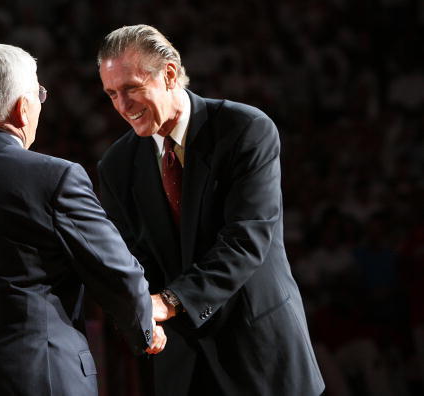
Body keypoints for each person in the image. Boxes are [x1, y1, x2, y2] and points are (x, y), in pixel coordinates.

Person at [0, 44, 166, 396]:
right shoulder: (55, 178)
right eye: (39, 94)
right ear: (22, 108)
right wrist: (144, 326)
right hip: (39, 381)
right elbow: (117, 272)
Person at [96, 25, 325, 396]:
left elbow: (246, 239)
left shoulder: (245, 129)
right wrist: (140, 313)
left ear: (169, 74)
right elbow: (132, 259)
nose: (122, 106)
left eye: (132, 89)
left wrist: (169, 302)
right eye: (112, 94)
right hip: (182, 366)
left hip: (260, 354)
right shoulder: (116, 165)